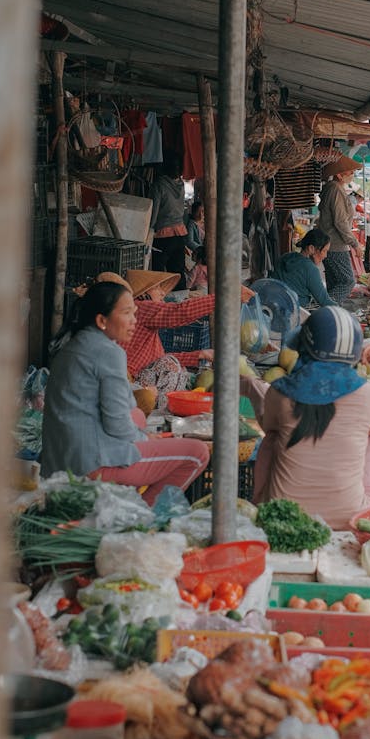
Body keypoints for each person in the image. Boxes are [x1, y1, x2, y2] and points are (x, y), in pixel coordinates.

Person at [41, 280, 209, 504]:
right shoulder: (109, 353)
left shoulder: (72, 346)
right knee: (197, 454)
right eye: (127, 313)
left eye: (135, 313)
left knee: (138, 416)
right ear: (102, 320)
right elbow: (117, 424)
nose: (134, 321)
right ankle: (142, 515)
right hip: (90, 465)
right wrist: (144, 439)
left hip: (58, 460)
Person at [246, 306, 370, 529]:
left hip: (282, 516)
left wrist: (251, 387)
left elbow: (268, 426)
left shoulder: (279, 392)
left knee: (272, 438)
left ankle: (259, 502)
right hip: (353, 518)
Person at [123, 269, 253, 408]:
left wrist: (200, 354)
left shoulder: (141, 316)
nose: (162, 293)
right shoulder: (141, 308)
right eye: (157, 288)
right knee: (170, 364)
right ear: (143, 294)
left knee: (173, 364)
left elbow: (155, 359)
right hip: (130, 384)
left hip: (135, 382)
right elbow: (180, 312)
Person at [316, 154, 362, 302]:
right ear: (339, 174)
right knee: (348, 282)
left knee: (335, 283)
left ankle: (331, 316)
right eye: (350, 172)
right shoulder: (335, 189)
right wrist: (355, 243)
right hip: (336, 245)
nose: (352, 175)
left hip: (330, 244)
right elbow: (340, 222)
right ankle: (327, 307)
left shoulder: (334, 188)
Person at [150, 152, 188, 288]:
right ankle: (181, 302)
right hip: (180, 233)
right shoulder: (181, 184)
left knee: (158, 273)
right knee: (177, 272)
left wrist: (150, 229)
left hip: (163, 234)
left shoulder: (159, 185)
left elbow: (153, 211)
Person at [271, 229, 336, 308]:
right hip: (294, 312)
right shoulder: (310, 269)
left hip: (273, 304)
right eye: (324, 251)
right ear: (311, 248)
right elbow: (324, 301)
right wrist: (345, 313)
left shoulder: (285, 257)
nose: (325, 256)